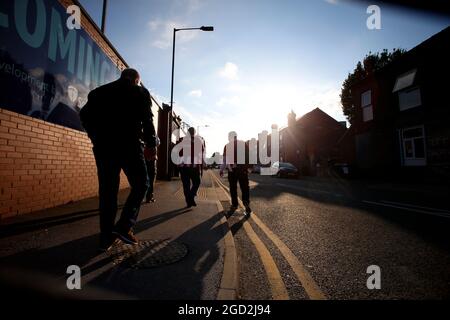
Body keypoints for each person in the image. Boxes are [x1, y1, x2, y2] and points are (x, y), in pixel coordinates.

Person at [79, 68, 157, 251]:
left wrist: (95, 136)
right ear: (136, 80)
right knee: (141, 184)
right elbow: (147, 119)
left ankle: (106, 238)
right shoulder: (139, 92)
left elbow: (84, 115)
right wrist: (151, 145)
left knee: (108, 192)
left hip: (104, 148)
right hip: (129, 146)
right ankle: (124, 225)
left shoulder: (98, 93)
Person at [220, 131, 252, 217]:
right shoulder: (243, 144)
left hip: (232, 170)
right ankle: (246, 203)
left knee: (233, 188)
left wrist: (221, 170)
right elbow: (249, 156)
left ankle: (234, 204)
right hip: (243, 170)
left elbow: (225, 160)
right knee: (245, 187)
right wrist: (249, 167)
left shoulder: (227, 146)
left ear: (230, 137)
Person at [177, 127, 205, 208]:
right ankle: (191, 196)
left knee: (186, 185)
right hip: (194, 166)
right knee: (197, 182)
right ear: (194, 133)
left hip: (183, 166)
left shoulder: (182, 140)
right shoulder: (199, 141)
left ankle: (188, 201)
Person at [144, 136, 160, 203]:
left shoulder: (145, 145)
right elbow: (153, 157)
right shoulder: (153, 147)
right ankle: (149, 197)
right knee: (150, 181)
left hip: (145, 164)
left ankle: (146, 196)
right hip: (151, 164)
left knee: (145, 181)